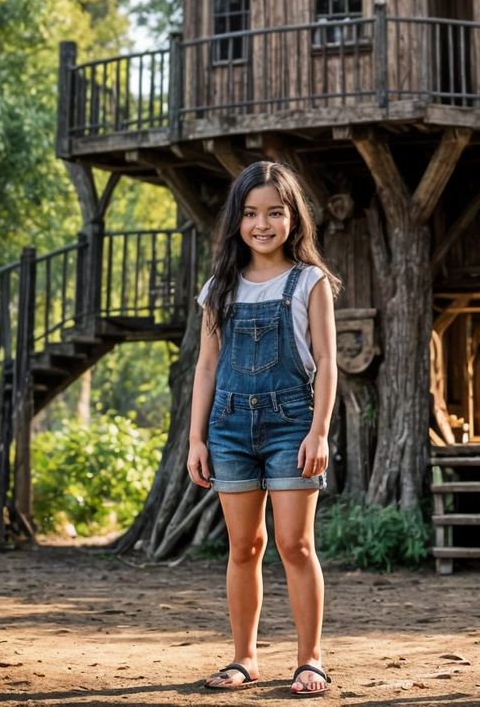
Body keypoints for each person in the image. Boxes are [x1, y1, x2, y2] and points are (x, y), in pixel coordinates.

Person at [186, 161, 341, 697]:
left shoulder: (309, 281)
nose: (263, 224)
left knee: (294, 544)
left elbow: (326, 361)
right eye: (251, 213)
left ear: (294, 218)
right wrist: (196, 438)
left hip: (291, 424)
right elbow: (206, 367)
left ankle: (310, 659)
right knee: (244, 547)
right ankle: (244, 658)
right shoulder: (219, 288)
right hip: (228, 429)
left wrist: (318, 431)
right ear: (237, 220)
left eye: (275, 212)